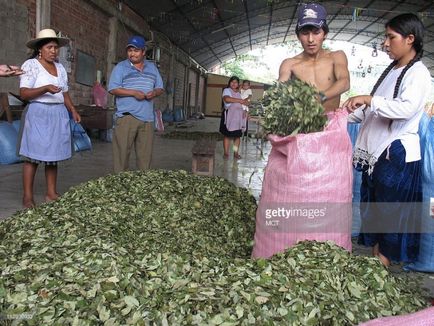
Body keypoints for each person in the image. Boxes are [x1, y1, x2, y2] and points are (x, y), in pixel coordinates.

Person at [343, 13, 431, 267]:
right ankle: (376, 269)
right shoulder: (392, 70)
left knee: (391, 215)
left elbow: (405, 108)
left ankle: (381, 270)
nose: (385, 43)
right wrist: (340, 114)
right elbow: (371, 109)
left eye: (390, 37)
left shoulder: (418, 73)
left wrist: (369, 100)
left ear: (410, 39)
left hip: (397, 155)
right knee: (376, 213)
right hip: (378, 156)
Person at [18, 28, 81, 208]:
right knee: (32, 156)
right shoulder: (30, 65)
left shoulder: (60, 68)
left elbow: (65, 94)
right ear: (40, 49)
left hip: (58, 114)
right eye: (49, 47)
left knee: (53, 157)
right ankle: (28, 197)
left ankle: (51, 193)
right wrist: (44, 88)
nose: (54, 51)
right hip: (38, 113)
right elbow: (24, 94)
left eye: (55, 47)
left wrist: (72, 110)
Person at [278, 3, 350, 112]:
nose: (310, 39)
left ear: (325, 34)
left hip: (331, 124)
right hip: (301, 125)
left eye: (316, 33)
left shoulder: (336, 56)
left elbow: (345, 82)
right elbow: (279, 90)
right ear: (298, 36)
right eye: (305, 33)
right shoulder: (289, 64)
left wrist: (320, 97)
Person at [108, 35, 164, 173]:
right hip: (127, 117)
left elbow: (160, 88)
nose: (132, 53)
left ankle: (142, 187)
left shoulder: (152, 68)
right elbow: (113, 89)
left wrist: (154, 93)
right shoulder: (121, 67)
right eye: (130, 50)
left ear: (144, 52)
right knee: (121, 157)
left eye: (136, 50)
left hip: (147, 119)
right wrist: (133, 93)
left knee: (145, 159)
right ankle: (120, 185)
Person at [219, 76, 249, 160]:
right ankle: (226, 153)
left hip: (239, 118)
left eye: (235, 82)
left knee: (237, 137)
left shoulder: (240, 93)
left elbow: (246, 103)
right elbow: (227, 99)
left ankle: (235, 153)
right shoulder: (227, 90)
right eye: (232, 82)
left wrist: (246, 111)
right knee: (227, 136)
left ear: (238, 84)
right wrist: (240, 101)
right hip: (229, 117)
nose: (233, 83)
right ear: (229, 83)